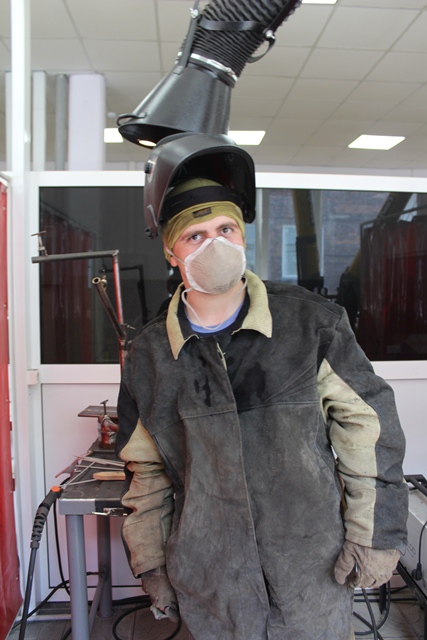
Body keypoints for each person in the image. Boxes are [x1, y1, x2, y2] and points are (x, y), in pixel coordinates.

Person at [116, 133, 408, 640]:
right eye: (195, 236)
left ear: (243, 235)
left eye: (226, 228)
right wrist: (151, 562)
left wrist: (375, 533)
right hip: (211, 575)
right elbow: (146, 473)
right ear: (170, 251)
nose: (216, 245)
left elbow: (367, 428)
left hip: (311, 567)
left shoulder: (310, 324)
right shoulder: (150, 356)